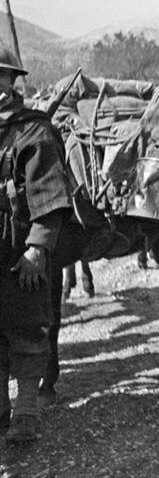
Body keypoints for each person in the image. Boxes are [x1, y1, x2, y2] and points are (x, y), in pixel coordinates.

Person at [0, 48, 73, 442]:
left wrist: (36, 249)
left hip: (18, 243)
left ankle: (25, 412)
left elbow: (50, 194)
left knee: (25, 327)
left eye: (0, 76)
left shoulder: (35, 131)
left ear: (13, 82)